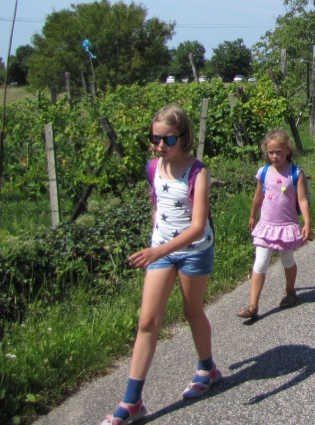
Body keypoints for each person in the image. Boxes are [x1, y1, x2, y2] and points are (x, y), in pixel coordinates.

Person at [102, 105, 217, 425]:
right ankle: (132, 402)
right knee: (147, 321)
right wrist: (157, 243)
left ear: (184, 137)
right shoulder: (153, 168)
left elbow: (197, 226)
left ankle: (208, 369)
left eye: (168, 139)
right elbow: (158, 203)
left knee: (192, 311)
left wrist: (157, 250)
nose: (160, 145)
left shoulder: (197, 171)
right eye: (155, 138)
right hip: (161, 250)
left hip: (195, 249)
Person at [237, 129, 311, 320]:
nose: (274, 156)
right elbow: (258, 196)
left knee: (287, 260)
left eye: (278, 152)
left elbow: (302, 200)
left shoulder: (296, 173)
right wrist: (253, 216)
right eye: (271, 152)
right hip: (266, 225)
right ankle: (253, 305)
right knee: (260, 263)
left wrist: (307, 222)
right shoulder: (263, 172)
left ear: (287, 150)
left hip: (286, 226)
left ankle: (290, 291)